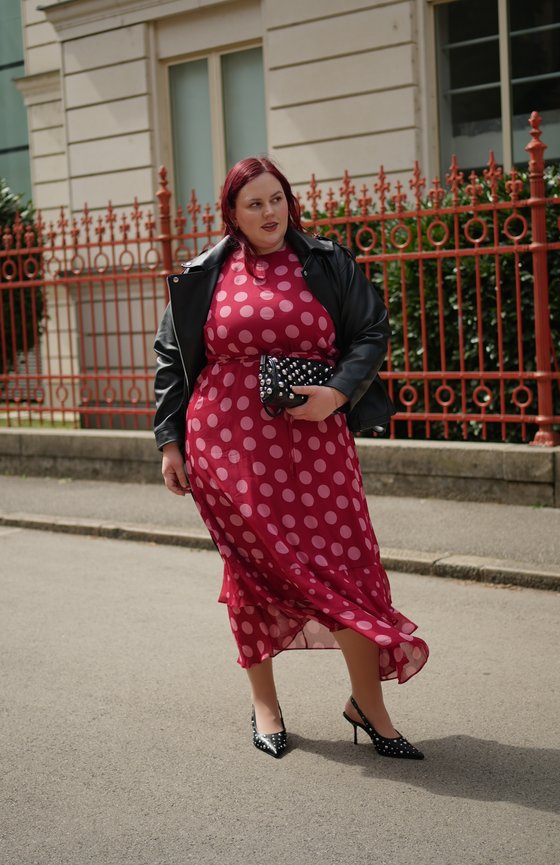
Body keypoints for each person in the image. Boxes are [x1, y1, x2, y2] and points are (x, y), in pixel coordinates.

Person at [154, 156, 429, 759]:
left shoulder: (327, 261)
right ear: (232, 213)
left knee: (345, 564)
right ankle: (265, 706)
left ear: (289, 201)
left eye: (276, 198)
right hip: (227, 445)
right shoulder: (206, 273)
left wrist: (337, 393)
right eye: (254, 203)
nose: (269, 212)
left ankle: (368, 706)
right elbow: (172, 359)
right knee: (252, 570)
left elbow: (371, 332)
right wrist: (170, 441)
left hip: (317, 439)